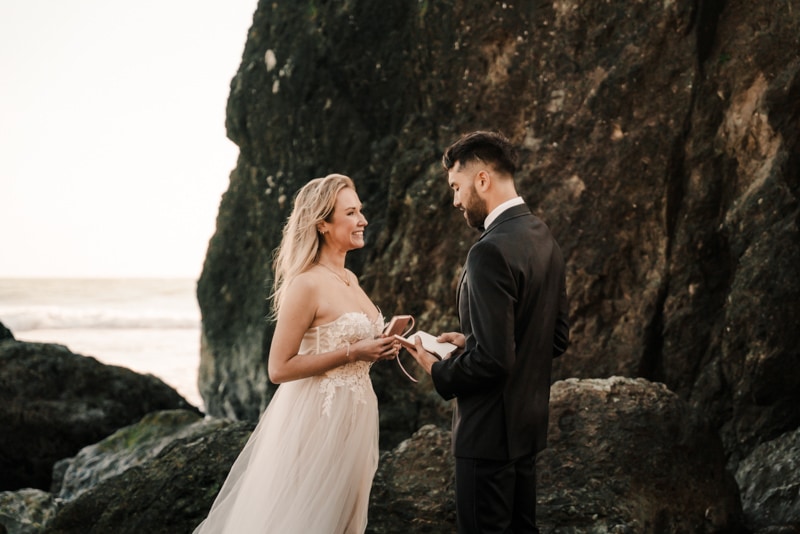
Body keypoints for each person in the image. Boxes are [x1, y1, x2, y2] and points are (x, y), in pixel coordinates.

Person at [194, 174, 399, 533]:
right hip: (318, 417)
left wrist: (384, 343)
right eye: (351, 213)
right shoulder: (306, 283)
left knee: (344, 520)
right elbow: (279, 367)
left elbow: (349, 343)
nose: (363, 220)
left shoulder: (350, 279)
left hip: (358, 412)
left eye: (360, 211)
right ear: (323, 224)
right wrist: (354, 352)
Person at [404, 131, 569, 533]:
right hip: (527, 433)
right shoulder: (542, 236)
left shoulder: (488, 251)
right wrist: (471, 338)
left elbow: (494, 361)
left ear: (482, 180)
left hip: (487, 440)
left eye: (456, 187)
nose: (456, 200)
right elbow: (554, 337)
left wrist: (435, 368)